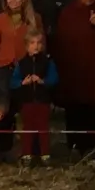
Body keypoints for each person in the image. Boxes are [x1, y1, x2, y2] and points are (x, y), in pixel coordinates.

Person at [9, 31, 58, 165]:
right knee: (28, 129)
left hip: (43, 101)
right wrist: (22, 83)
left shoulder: (48, 62)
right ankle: (27, 155)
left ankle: (45, 155)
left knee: (43, 128)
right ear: (26, 46)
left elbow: (54, 79)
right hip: (27, 101)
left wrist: (43, 81)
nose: (36, 46)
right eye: (32, 43)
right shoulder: (21, 63)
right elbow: (13, 81)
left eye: (39, 43)